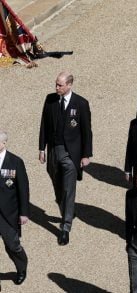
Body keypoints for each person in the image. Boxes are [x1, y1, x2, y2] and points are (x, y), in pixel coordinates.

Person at [39, 71, 92, 245]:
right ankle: (67, 210)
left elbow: (86, 132)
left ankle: (65, 227)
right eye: (56, 84)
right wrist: (42, 148)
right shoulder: (50, 100)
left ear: (69, 85)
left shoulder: (81, 104)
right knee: (58, 187)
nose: (56, 88)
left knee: (69, 190)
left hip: (71, 154)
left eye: (60, 85)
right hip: (54, 150)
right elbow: (44, 125)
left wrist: (85, 155)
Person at [0, 132, 29, 285]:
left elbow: (23, 189)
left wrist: (24, 213)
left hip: (8, 214)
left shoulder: (16, 162)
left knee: (12, 245)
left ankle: (21, 268)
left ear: (4, 143)